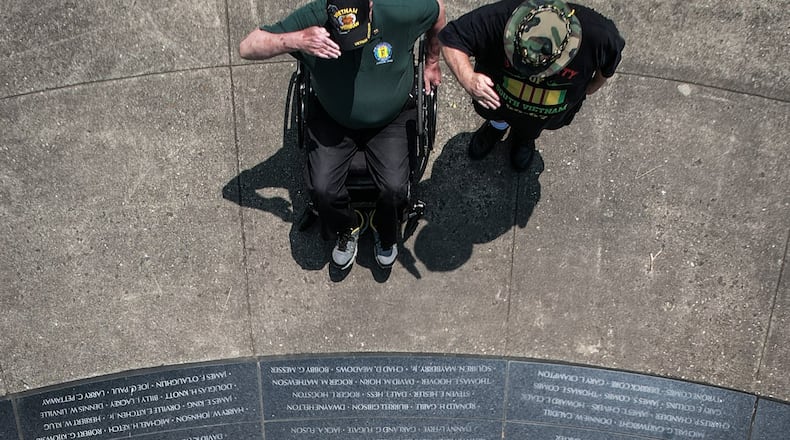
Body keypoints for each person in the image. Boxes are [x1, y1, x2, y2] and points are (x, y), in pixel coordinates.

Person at [239, 0, 445, 270]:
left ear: (370, 6)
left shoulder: (399, 10)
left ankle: (386, 230)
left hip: (391, 120)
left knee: (396, 188)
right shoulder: (313, 17)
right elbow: (248, 46)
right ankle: (349, 226)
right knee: (321, 190)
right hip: (332, 118)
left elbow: (438, 10)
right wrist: (296, 39)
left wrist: (432, 61)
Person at [439, 0, 624, 171]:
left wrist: (594, 85)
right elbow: (451, 37)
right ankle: (496, 127)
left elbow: (609, 62)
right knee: (496, 115)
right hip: (497, 100)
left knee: (531, 129)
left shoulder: (599, 35)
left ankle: (525, 139)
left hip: (543, 114)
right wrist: (467, 77)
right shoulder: (500, 17)